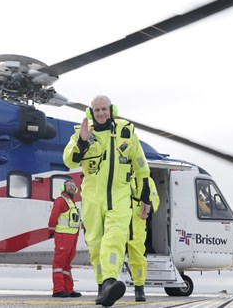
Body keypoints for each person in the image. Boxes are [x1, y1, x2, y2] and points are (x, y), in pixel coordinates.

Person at [63, 95, 151, 307]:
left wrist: (145, 197)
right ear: (90, 113)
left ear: (111, 110)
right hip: (93, 198)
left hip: (120, 196)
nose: (101, 113)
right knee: (95, 243)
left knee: (115, 236)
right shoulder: (83, 133)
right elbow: (68, 160)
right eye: (97, 110)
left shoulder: (126, 133)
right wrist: (82, 142)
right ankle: (103, 287)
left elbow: (141, 166)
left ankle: (111, 280)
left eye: (104, 109)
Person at [47, 179, 82, 298]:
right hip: (63, 236)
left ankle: (68, 289)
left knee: (67, 264)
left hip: (72, 236)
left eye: (73, 186)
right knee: (59, 263)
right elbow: (53, 217)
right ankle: (58, 289)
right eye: (69, 186)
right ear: (64, 188)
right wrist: (51, 230)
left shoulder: (71, 202)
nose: (72, 187)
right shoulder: (61, 200)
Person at [127, 174, 159, 302]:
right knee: (111, 252)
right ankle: (106, 285)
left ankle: (139, 288)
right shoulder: (118, 173)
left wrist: (148, 208)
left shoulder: (148, 180)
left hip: (138, 222)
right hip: (118, 221)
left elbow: (155, 199)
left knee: (139, 257)